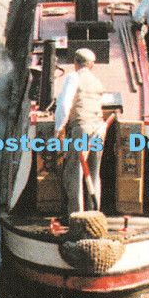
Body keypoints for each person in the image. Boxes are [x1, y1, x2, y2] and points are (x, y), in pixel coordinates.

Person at [54, 47, 107, 213]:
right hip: (99, 129)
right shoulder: (98, 82)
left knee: (74, 172)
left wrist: (58, 128)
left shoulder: (73, 77)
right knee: (93, 172)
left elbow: (64, 105)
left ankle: (76, 215)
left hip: (81, 128)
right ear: (92, 65)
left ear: (75, 63)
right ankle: (94, 213)